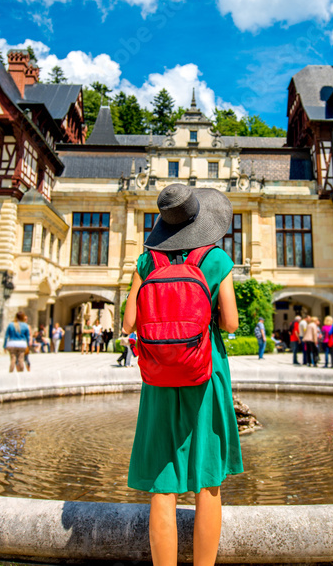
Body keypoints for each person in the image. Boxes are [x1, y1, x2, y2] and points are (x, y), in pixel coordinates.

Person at [122, 183, 242, 566]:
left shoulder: (146, 262)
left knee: (163, 484)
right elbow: (233, 322)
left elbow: (128, 322)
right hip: (205, 372)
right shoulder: (217, 259)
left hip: (159, 375)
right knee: (208, 482)